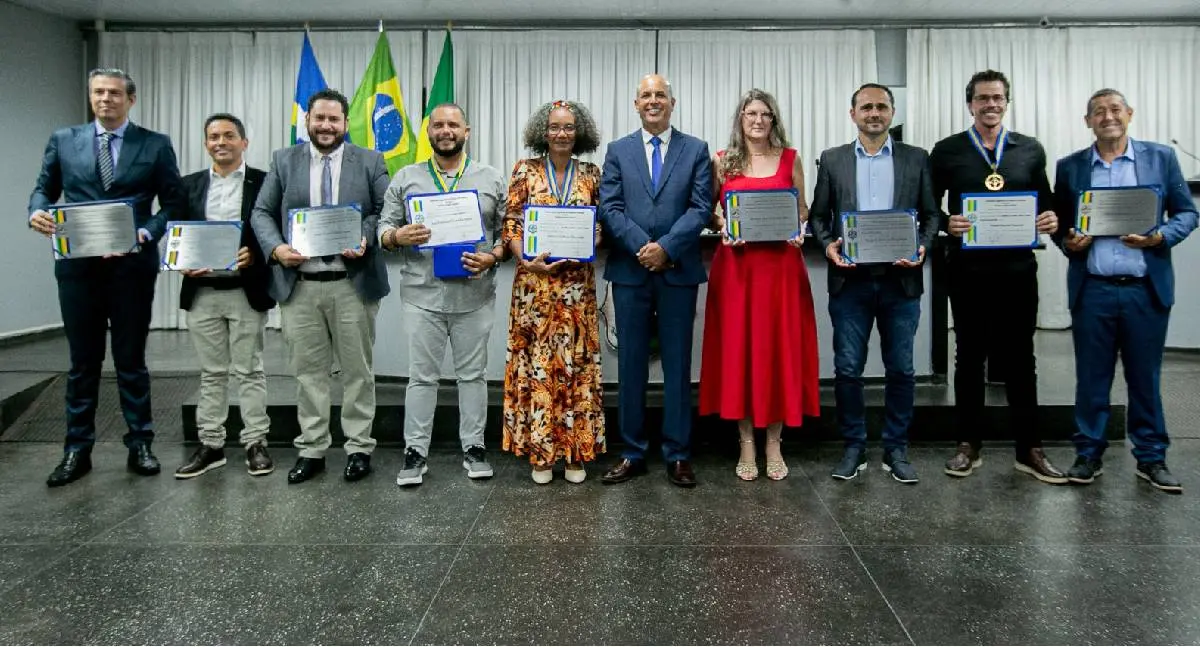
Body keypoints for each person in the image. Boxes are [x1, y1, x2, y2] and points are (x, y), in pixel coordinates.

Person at [28, 68, 186, 487]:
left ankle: (141, 443)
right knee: (83, 362)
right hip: (78, 267)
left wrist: (147, 231)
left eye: (114, 93)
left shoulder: (155, 144)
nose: (105, 100)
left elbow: (173, 202)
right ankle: (76, 448)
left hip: (131, 267)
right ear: (90, 97)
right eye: (98, 92)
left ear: (130, 99)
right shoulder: (65, 140)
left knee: (131, 359)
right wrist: (36, 211)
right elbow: (44, 189)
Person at [1052, 88, 1198, 494]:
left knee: (1145, 378)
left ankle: (1151, 458)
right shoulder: (1070, 167)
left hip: (1144, 290)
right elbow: (1061, 225)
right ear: (1087, 122)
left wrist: (1160, 238)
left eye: (1115, 109)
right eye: (1098, 112)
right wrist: (1069, 242)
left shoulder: (1160, 158)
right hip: (1094, 289)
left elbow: (1187, 212)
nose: (1107, 117)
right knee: (1091, 379)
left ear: (1129, 114)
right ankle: (1088, 455)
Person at [930, 70, 1066, 484]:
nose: (991, 105)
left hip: (1018, 270)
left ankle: (1030, 448)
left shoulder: (1029, 149)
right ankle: (967, 444)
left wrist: (1050, 217)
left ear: (1007, 102)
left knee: (1020, 358)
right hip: (967, 270)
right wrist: (945, 222)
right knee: (968, 356)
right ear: (969, 103)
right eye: (983, 98)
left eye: (998, 98)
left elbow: (1047, 203)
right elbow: (926, 205)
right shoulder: (948, 150)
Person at [250, 88, 390, 485]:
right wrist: (276, 248)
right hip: (301, 284)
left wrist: (365, 237)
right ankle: (312, 448)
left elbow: (384, 211)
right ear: (307, 121)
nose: (326, 126)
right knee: (308, 373)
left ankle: (359, 448)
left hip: (352, 283)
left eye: (334, 119)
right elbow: (261, 211)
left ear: (346, 123)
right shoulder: (283, 160)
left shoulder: (370, 161)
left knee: (357, 373)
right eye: (319, 118)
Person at [809, 83, 939, 484]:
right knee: (848, 369)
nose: (874, 113)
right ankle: (854, 447)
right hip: (851, 283)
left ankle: (896, 449)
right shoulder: (832, 160)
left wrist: (922, 246)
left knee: (902, 368)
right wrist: (829, 245)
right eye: (866, 107)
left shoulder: (917, 158)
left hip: (901, 281)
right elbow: (818, 217)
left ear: (892, 112)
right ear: (853, 114)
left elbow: (932, 215)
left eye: (881, 106)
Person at [378, 103, 507, 487]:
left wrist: (493, 256)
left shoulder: (491, 178)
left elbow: (507, 232)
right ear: (428, 132)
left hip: (475, 295)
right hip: (422, 296)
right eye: (438, 125)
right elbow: (385, 226)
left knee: (473, 376)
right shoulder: (406, 177)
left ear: (466, 130)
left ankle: (475, 447)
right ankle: (415, 452)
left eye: (453, 124)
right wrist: (395, 236)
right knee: (422, 377)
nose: (445, 130)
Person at [598, 74, 714, 488]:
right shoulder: (617, 151)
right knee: (630, 365)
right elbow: (608, 207)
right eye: (646, 95)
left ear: (672, 102)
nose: (653, 101)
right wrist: (641, 247)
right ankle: (632, 452)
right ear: (636, 104)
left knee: (678, 365)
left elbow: (702, 207)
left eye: (659, 95)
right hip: (630, 272)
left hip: (677, 270)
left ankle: (678, 453)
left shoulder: (696, 150)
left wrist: (666, 247)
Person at [700, 88, 819, 482]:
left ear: (774, 120)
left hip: (781, 271)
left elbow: (802, 209)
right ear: (740, 118)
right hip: (737, 270)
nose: (757, 120)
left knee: (778, 352)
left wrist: (800, 229)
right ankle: (747, 442)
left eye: (765, 114)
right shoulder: (723, 161)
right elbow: (712, 214)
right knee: (741, 354)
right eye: (751, 113)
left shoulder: (791, 158)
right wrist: (724, 227)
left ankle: (774, 443)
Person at [500, 100, 607, 484]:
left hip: (577, 290)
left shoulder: (592, 173)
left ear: (580, 134)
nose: (562, 133)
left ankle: (575, 454)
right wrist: (523, 258)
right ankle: (542, 455)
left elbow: (602, 223)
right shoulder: (524, 171)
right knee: (539, 367)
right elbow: (511, 224)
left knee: (575, 366)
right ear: (542, 133)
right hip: (535, 289)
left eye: (569, 127)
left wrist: (596, 234)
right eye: (555, 127)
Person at [173, 113, 276, 479]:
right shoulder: (187, 186)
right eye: (214, 136)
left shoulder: (264, 183)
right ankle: (212, 444)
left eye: (229, 136)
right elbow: (173, 236)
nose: (221, 142)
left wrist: (257, 254)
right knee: (211, 373)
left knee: (250, 370)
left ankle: (255, 442)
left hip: (244, 291)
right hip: (202, 293)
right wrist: (180, 261)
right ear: (206, 144)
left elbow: (274, 232)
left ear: (243, 142)